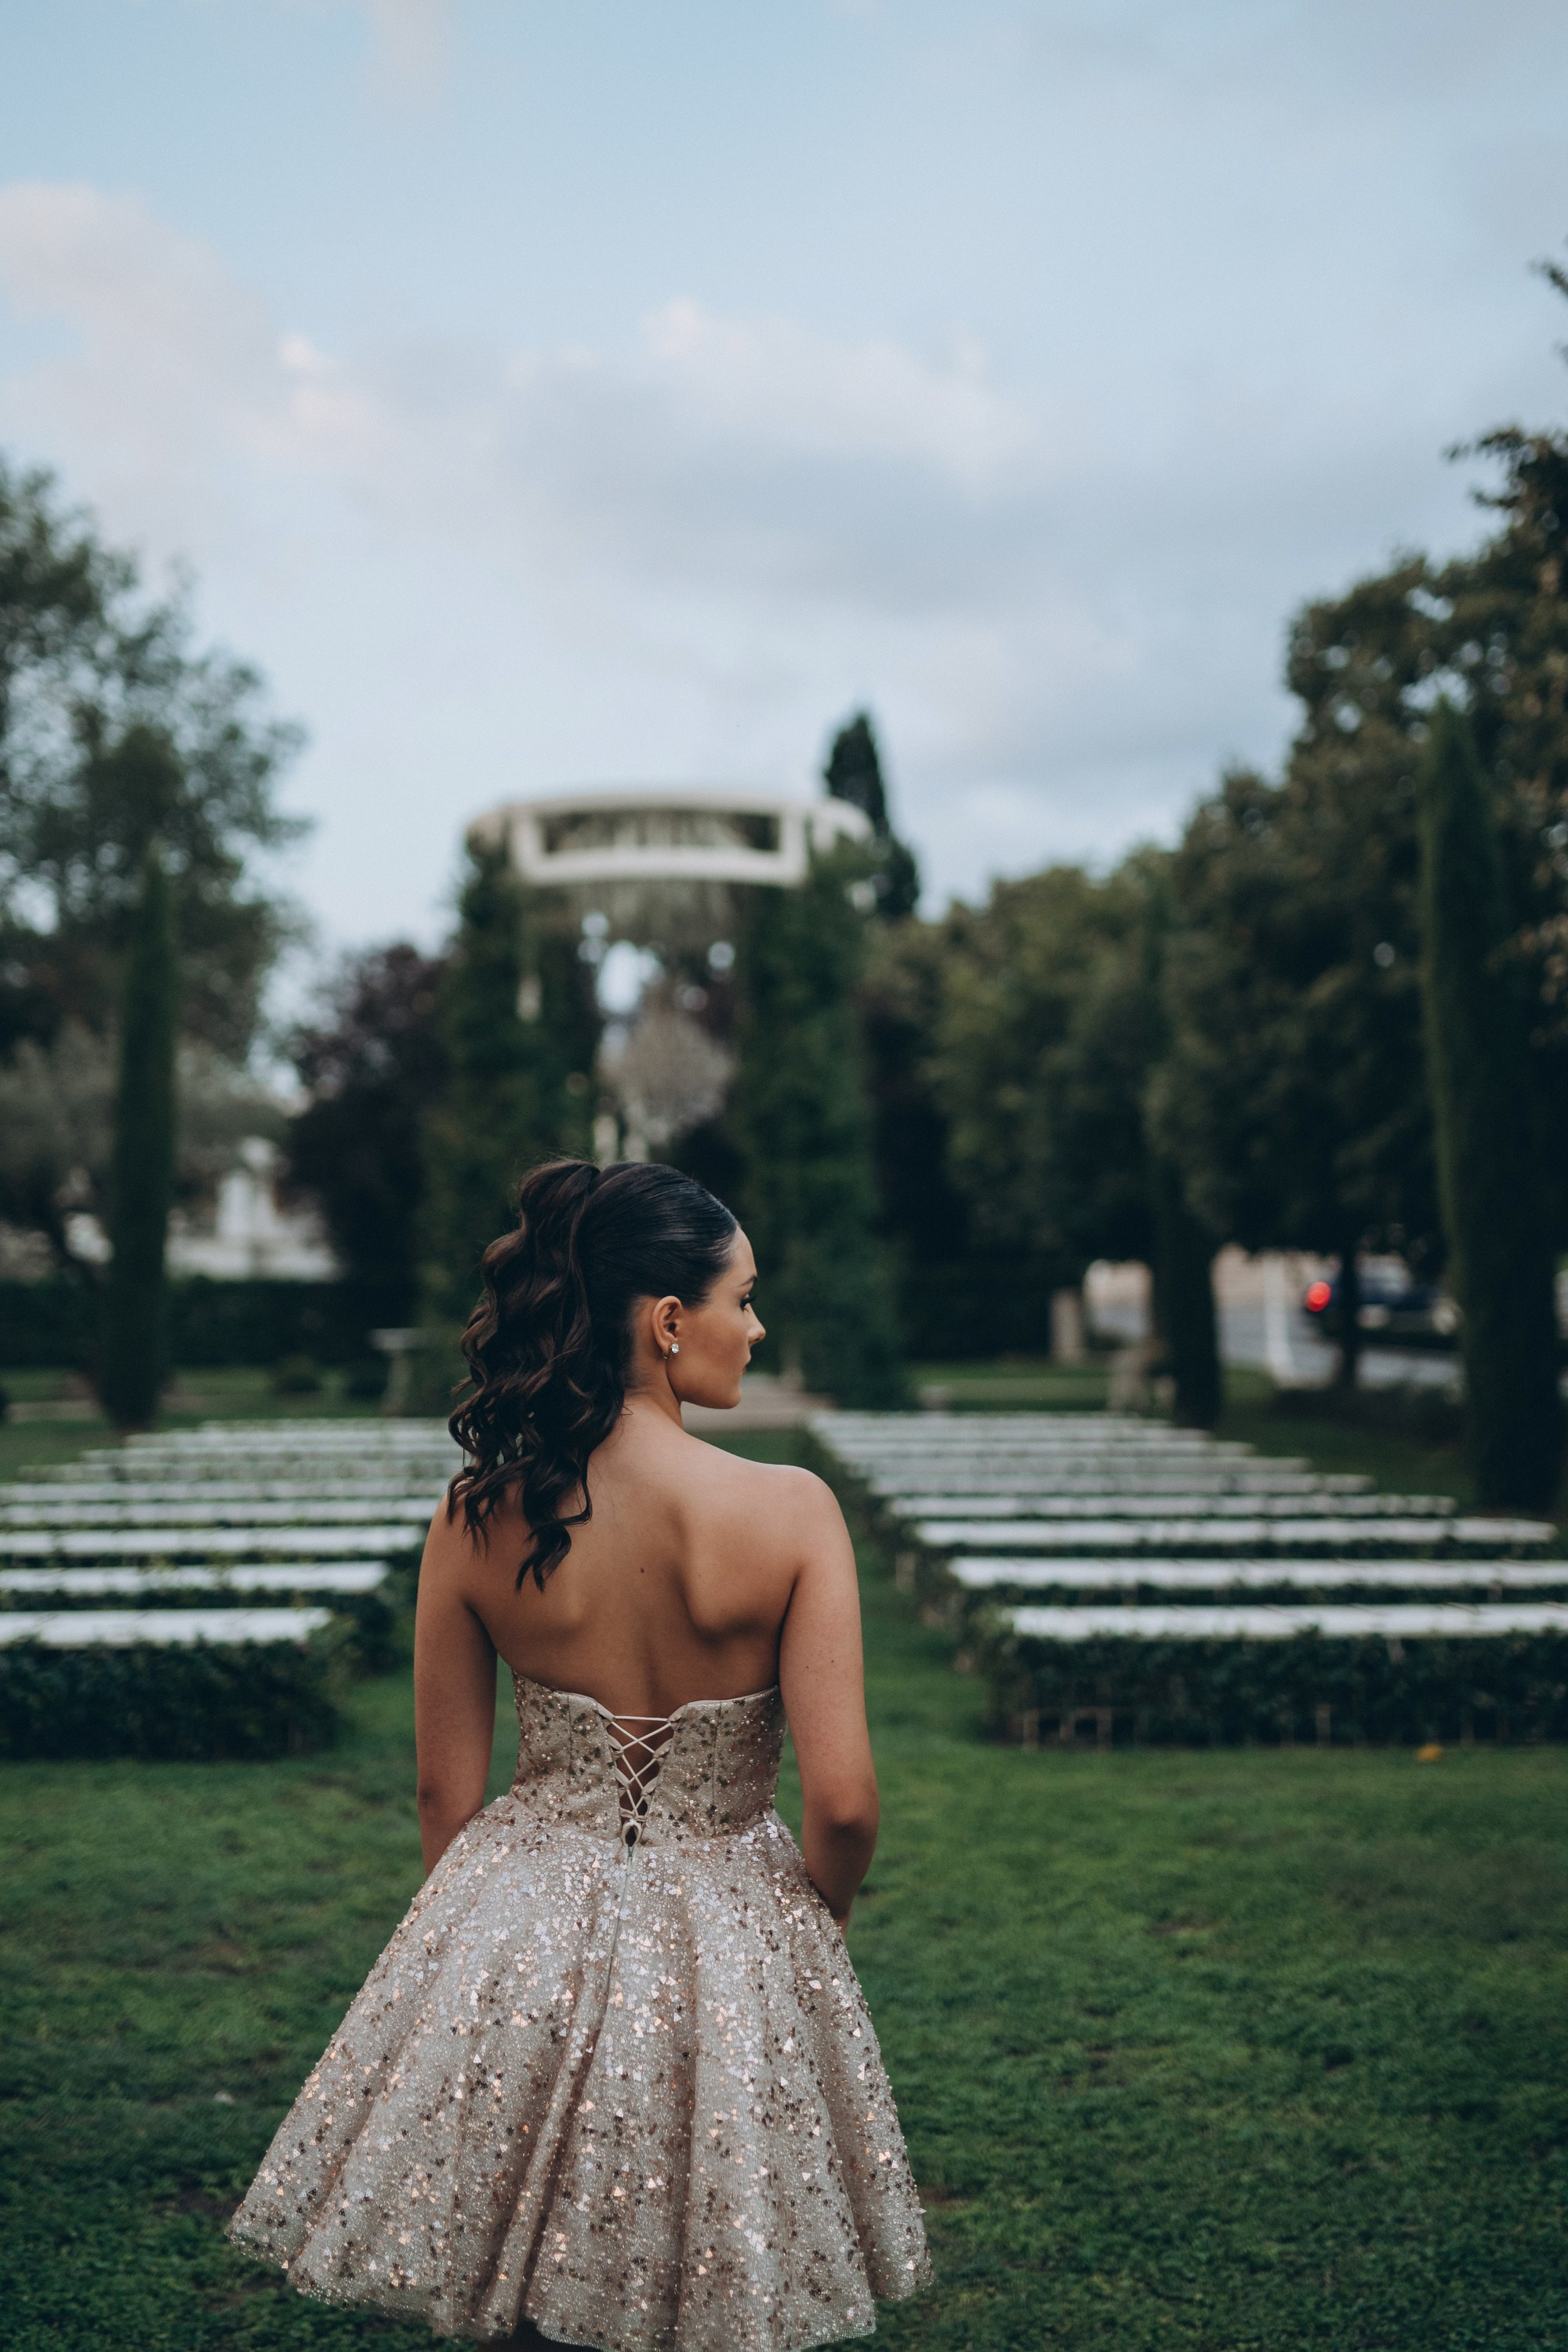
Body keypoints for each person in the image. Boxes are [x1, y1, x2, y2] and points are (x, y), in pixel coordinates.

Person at [230, 1157, 930, 2349]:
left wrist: (486, 1955)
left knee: (524, 2275)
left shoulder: (470, 1517)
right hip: (735, 1934)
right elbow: (848, 1802)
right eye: (744, 1299)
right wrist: (815, 1926)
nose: (756, 1330)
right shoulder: (793, 1513)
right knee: (710, 2271)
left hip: (515, 1926)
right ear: (668, 1322)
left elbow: (444, 1793)